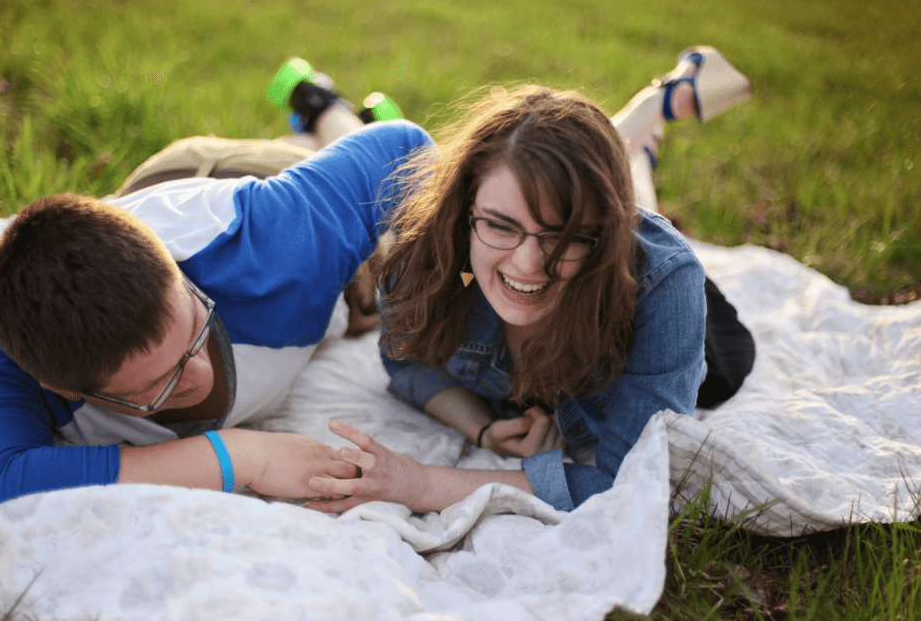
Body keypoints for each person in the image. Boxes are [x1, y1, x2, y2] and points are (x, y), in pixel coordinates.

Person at [0, 89, 433, 532]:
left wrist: (436, 355)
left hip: (227, 174)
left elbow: (406, 148)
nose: (200, 371)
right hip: (134, 201)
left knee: (370, 248)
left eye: (196, 329)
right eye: (157, 386)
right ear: (61, 386)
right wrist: (239, 456)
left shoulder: (268, 235)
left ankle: (326, 108)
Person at [307, 46, 756, 514]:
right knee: (553, 189)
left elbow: (627, 481)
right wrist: (480, 427)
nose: (527, 264)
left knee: (630, 212)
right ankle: (641, 131)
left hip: (634, 287)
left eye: (566, 236)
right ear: (465, 213)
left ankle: (650, 119)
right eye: (500, 225)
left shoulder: (660, 284)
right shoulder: (429, 248)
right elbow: (406, 358)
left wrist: (422, 484)